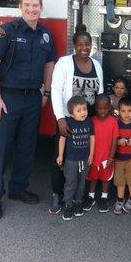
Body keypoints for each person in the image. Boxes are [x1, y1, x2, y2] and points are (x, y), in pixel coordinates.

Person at [0, 0, 56, 220]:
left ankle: (17, 189)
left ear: (41, 7)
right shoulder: (8, 31)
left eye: (35, 5)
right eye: (27, 5)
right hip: (9, 98)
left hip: (32, 99)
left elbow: (49, 65)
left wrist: (45, 92)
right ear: (20, 7)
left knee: (27, 146)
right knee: (2, 148)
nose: (31, 9)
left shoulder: (45, 35)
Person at [50, 24, 104, 215]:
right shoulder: (64, 63)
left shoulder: (96, 65)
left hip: (86, 122)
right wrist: (60, 118)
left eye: (87, 44)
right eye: (80, 44)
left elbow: (100, 94)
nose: (84, 48)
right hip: (67, 121)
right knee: (62, 159)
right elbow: (56, 91)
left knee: (81, 161)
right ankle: (57, 194)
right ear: (74, 45)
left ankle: (77, 198)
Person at [56, 96, 95, 221]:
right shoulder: (69, 122)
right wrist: (60, 155)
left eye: (84, 109)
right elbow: (62, 138)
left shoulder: (89, 121)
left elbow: (92, 138)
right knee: (70, 183)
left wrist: (91, 154)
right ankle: (68, 205)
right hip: (71, 160)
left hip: (84, 159)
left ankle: (78, 203)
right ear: (71, 113)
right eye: (79, 110)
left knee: (82, 183)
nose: (83, 112)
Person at [82, 94, 119, 213]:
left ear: (110, 107)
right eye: (100, 108)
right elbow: (88, 139)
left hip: (106, 157)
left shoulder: (113, 122)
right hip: (93, 157)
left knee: (105, 179)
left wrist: (111, 157)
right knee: (92, 177)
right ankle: (91, 197)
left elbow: (114, 141)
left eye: (105, 108)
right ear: (96, 107)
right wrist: (88, 155)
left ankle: (104, 197)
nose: (102, 111)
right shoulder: (91, 121)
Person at [113, 97, 131, 215]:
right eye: (123, 111)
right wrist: (118, 142)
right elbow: (112, 139)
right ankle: (120, 200)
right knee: (120, 180)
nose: (126, 114)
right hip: (118, 158)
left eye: (129, 111)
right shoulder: (116, 124)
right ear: (119, 111)